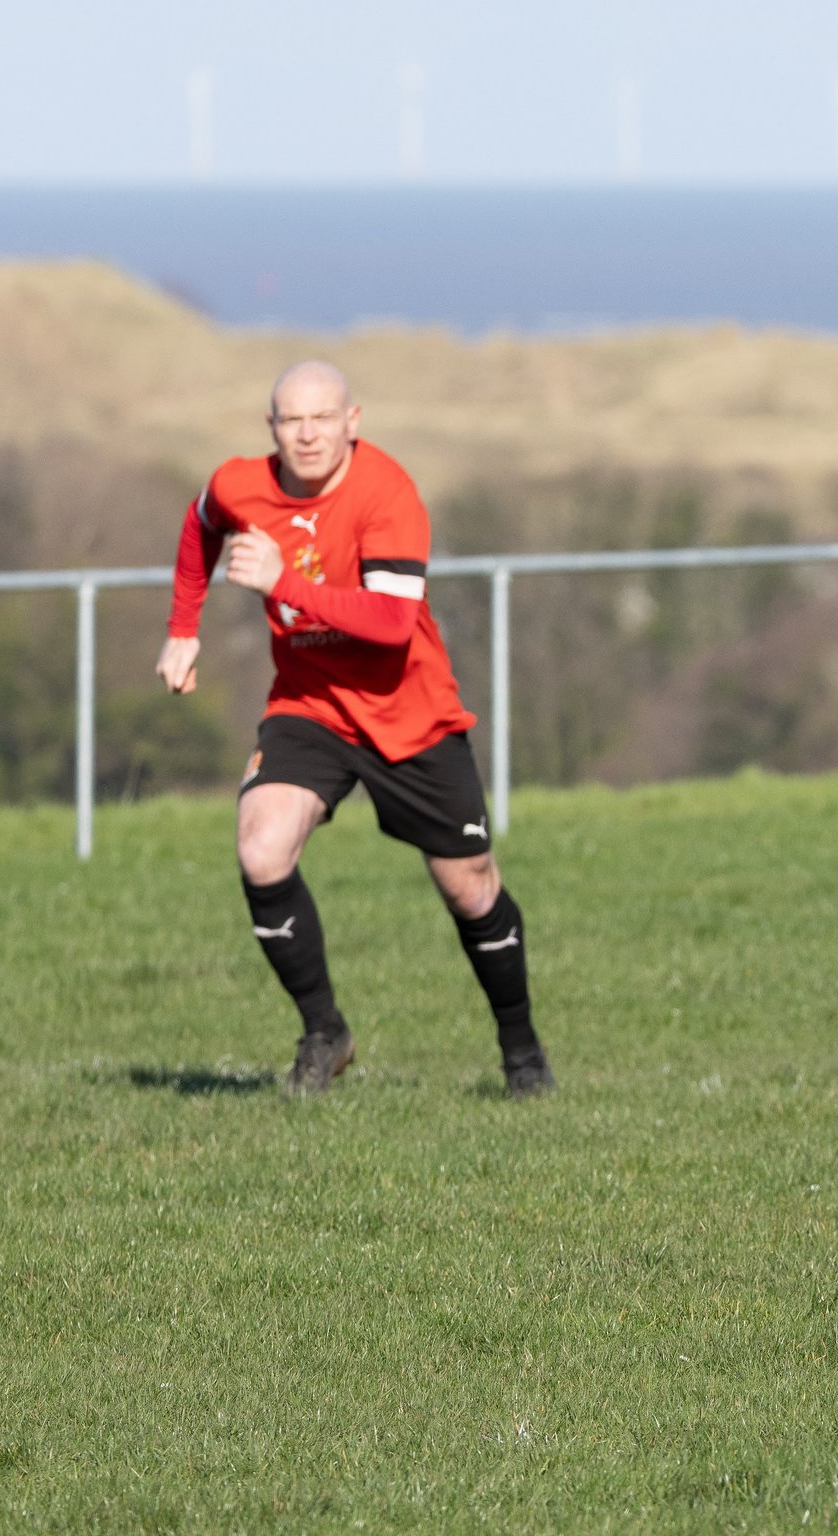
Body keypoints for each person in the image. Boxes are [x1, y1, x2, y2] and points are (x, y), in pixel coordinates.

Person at [156, 361, 553, 1097]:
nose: (306, 435)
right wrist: (184, 628)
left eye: (321, 419)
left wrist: (286, 584)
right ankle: (323, 1032)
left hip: (410, 714)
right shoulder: (241, 484)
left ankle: (522, 1052)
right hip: (310, 706)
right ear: (270, 427)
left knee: (470, 890)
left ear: (353, 421)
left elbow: (393, 624)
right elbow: (200, 523)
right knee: (260, 847)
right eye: (290, 421)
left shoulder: (388, 494)